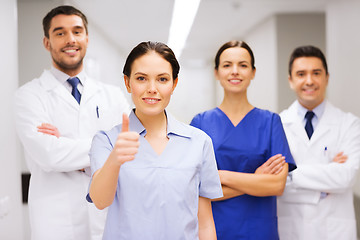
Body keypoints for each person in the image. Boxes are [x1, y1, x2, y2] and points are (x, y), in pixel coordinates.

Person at [14, 5, 129, 240]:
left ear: (86, 38)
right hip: (55, 221)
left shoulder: (113, 95)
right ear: (47, 42)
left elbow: (130, 149)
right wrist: (109, 148)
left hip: (106, 215)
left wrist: (66, 145)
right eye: (60, 33)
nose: (70, 39)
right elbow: (48, 155)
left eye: (77, 31)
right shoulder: (28, 96)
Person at [87, 41, 223, 240]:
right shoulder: (106, 141)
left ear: (174, 84)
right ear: (127, 82)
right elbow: (100, 201)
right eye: (141, 78)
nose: (152, 88)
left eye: (162, 79)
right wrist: (115, 160)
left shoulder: (199, 142)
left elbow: (204, 223)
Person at [190, 40, 297, 240]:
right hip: (214, 230)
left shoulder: (271, 122)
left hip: (259, 231)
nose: (235, 71)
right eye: (227, 65)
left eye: (243, 65)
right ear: (216, 73)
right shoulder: (200, 123)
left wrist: (219, 176)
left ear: (253, 72)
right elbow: (195, 189)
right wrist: (256, 179)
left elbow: (277, 186)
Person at [277, 45, 360, 240]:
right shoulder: (278, 124)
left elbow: (346, 176)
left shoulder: (349, 124)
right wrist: (327, 172)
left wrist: (289, 173)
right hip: (292, 229)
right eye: (301, 74)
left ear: (327, 78)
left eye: (316, 73)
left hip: (334, 231)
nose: (309, 81)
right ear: (290, 80)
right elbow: (275, 182)